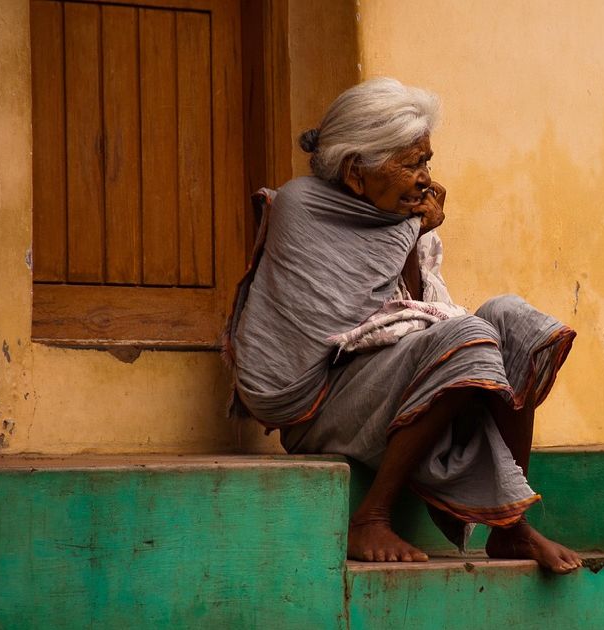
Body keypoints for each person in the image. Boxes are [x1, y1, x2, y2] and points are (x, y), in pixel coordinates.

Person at [223, 78, 581, 574]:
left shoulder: (400, 218)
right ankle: (371, 516)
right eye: (411, 163)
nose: (425, 178)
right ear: (355, 172)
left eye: (426, 161)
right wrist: (412, 229)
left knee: (512, 319)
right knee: (468, 337)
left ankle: (509, 527)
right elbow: (352, 323)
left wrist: (413, 234)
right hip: (318, 400)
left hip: (385, 382)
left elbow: (413, 307)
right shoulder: (302, 206)